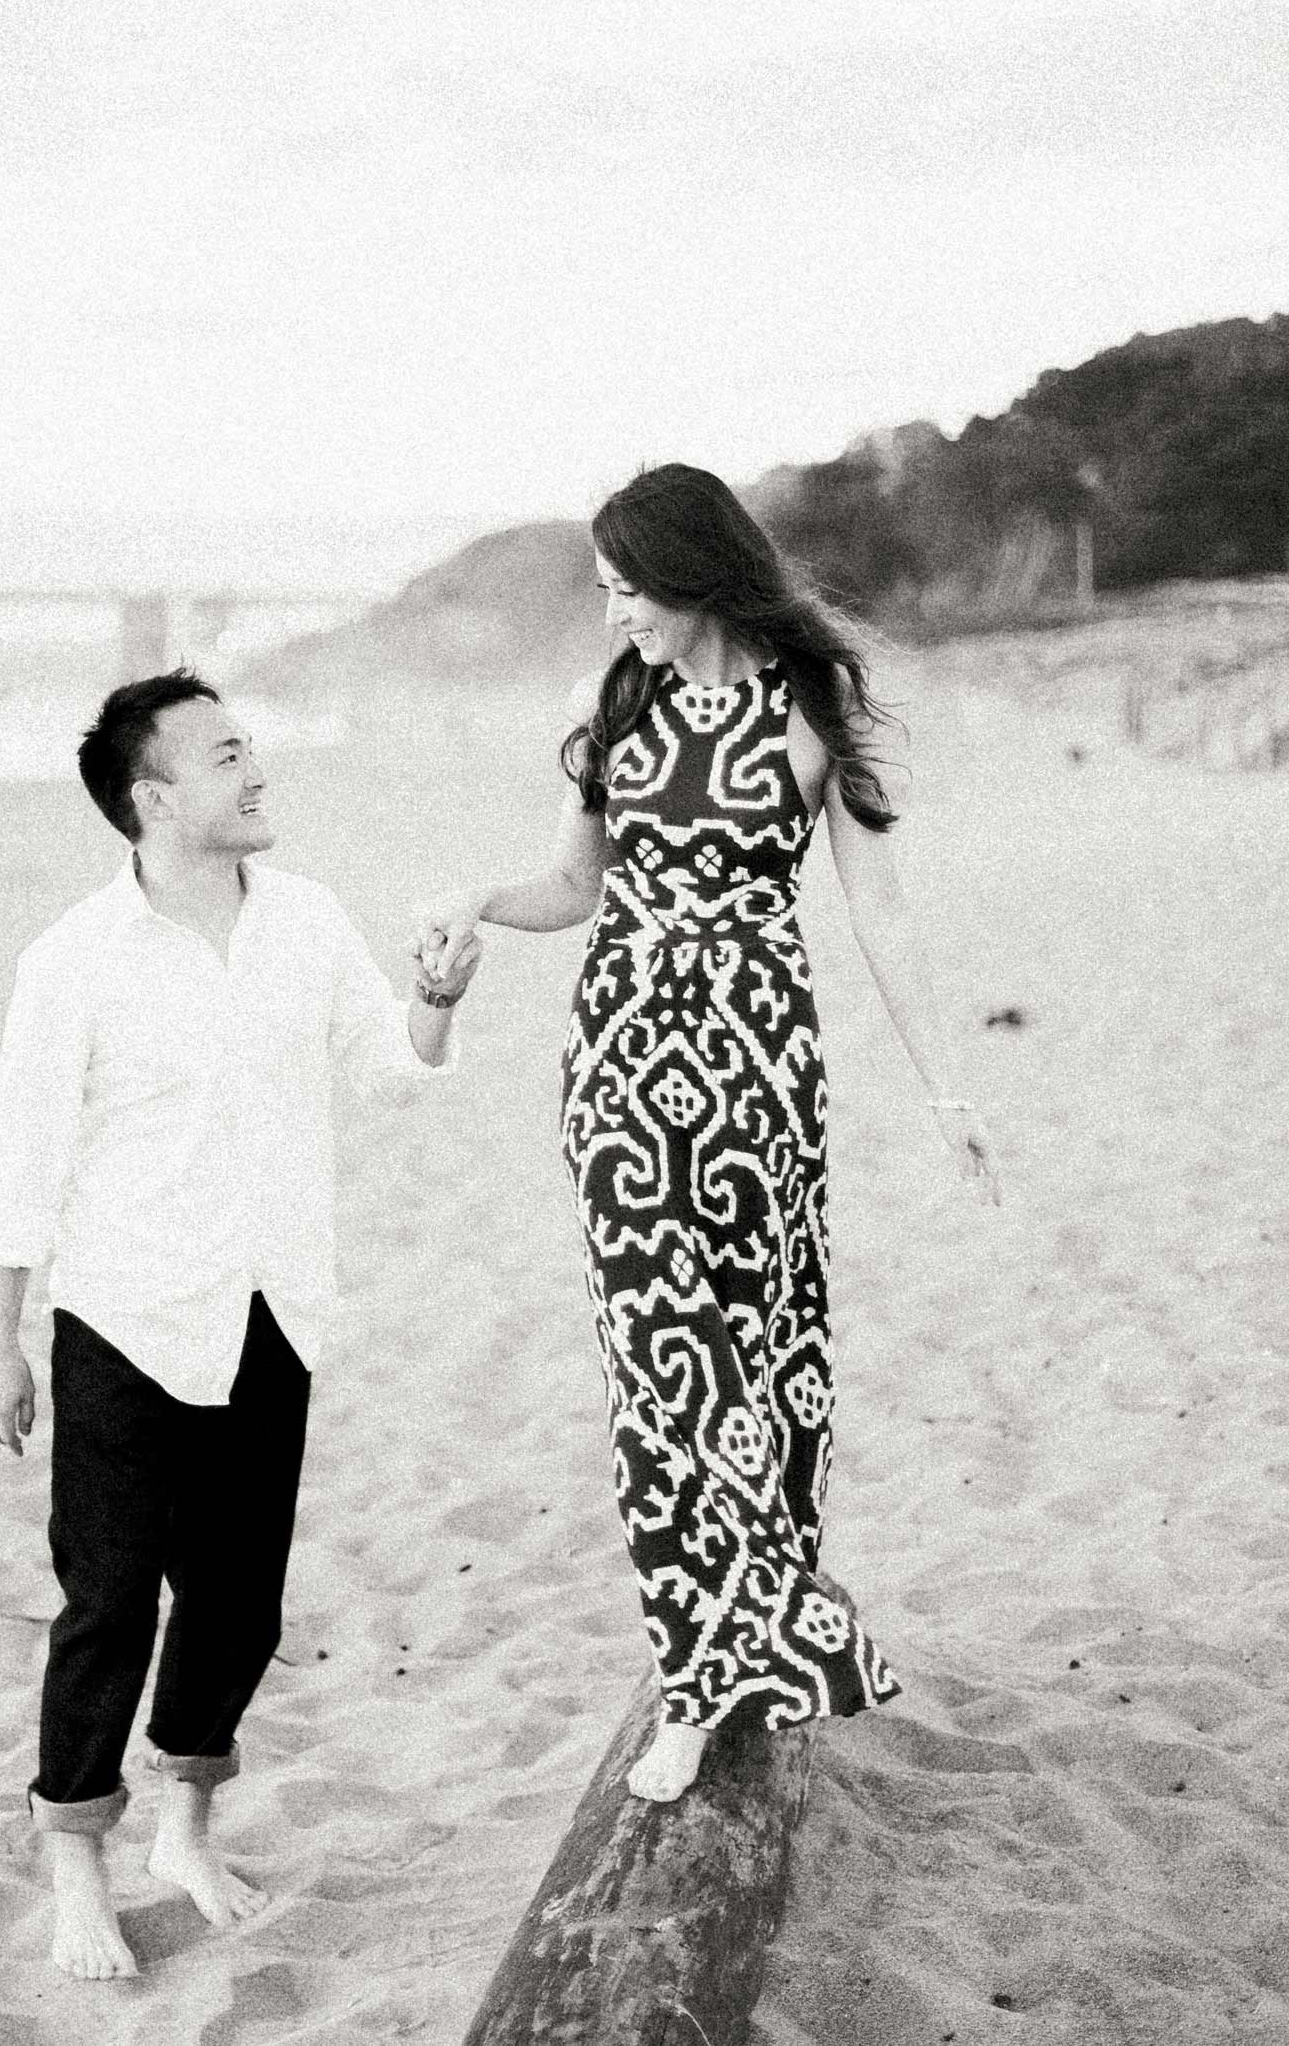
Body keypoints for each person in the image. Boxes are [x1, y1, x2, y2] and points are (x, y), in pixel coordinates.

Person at [415, 464, 999, 1804]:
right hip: (624, 1068)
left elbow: (880, 911)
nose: (617, 615)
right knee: (661, 1370)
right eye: (608, 592)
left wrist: (947, 1091)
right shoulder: (611, 702)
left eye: (632, 589)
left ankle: (754, 1632)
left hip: (762, 1077)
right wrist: (479, 901)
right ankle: (698, 1674)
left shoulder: (808, 705)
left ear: (695, 577)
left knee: (772, 1360)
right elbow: (575, 884)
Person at [0, 669, 479, 1980]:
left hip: (272, 1308)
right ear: (152, 796)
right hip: (124, 1315)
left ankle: (184, 1827)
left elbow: (392, 1071)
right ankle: (77, 1851)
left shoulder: (304, 921)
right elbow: (23, 1157)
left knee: (241, 1602)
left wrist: (439, 992)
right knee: (109, 1601)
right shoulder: (71, 959)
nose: (256, 772)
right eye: (226, 754)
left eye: (251, 745)